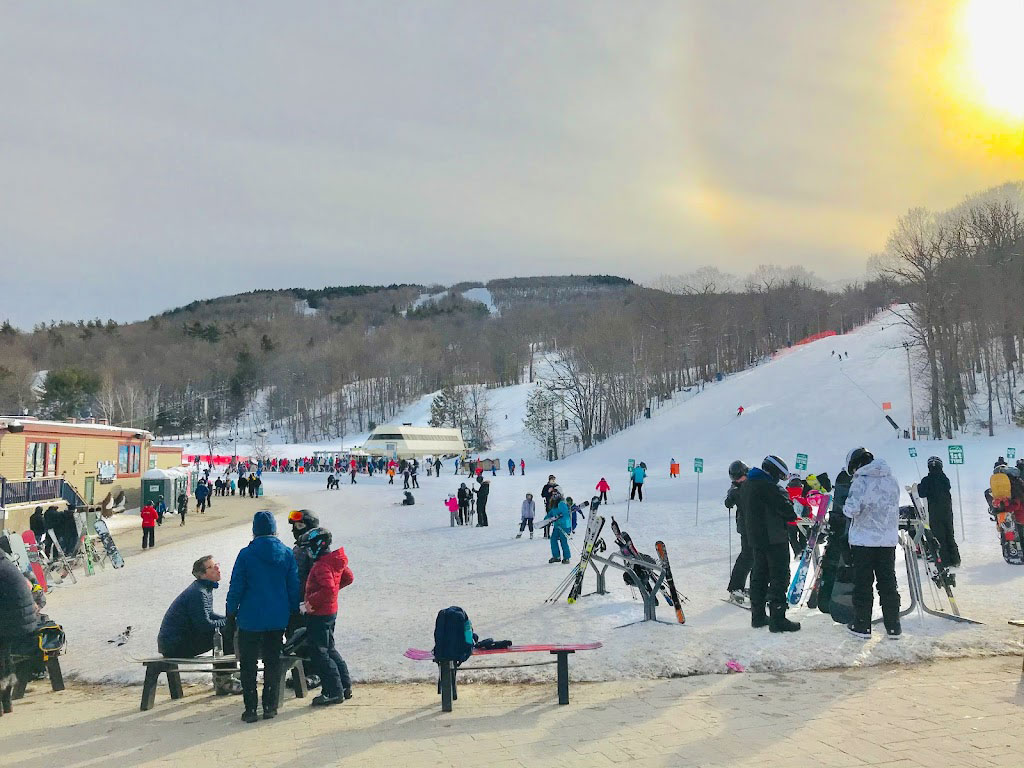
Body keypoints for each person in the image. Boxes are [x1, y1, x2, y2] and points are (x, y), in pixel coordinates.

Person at [226, 511, 300, 723]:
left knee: (248, 663)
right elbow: (293, 587)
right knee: (272, 660)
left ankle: (250, 709)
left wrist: (231, 612)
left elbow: (236, 587)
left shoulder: (246, 555)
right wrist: (293, 612)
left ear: (255, 531)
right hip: (278, 617)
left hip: (250, 618)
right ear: (274, 529)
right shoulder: (286, 553)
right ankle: (270, 706)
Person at [157, 555, 239, 693]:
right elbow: (204, 625)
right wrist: (229, 622)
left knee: (228, 628)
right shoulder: (198, 593)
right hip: (175, 645)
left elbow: (209, 615)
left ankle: (227, 673)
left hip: (175, 642)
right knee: (225, 633)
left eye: (216, 564)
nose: (217, 568)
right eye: (212, 567)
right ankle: (223, 679)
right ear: (202, 575)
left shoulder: (203, 589)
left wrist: (231, 620)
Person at [843, 447, 901, 639]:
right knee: (888, 582)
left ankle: (862, 625)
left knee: (863, 584)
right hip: (887, 540)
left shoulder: (861, 481)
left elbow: (851, 510)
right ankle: (893, 626)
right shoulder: (892, 479)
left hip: (863, 541)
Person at [742, 455, 800, 632]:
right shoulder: (767, 487)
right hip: (774, 538)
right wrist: (791, 505)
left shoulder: (748, 484)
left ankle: (758, 616)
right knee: (779, 577)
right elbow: (788, 512)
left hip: (756, 538)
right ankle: (778, 619)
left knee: (759, 576)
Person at [299, 528, 354, 706]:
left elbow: (329, 589)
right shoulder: (333, 561)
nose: (307, 552)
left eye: (309, 548)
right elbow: (347, 577)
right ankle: (344, 686)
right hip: (329, 611)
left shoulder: (322, 565)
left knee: (320, 652)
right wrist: (329, 596)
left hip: (320, 614)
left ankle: (333, 691)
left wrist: (311, 602)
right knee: (329, 648)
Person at [0, 556, 38, 714]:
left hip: (12, 617)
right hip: (19, 617)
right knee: (4, 655)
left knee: (2, 656)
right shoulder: (4, 561)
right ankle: (6, 702)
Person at [816, 468, 852, 614]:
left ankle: (827, 599)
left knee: (833, 563)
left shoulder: (844, 477)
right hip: (849, 530)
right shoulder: (856, 480)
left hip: (838, 527)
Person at [917, 456, 961, 568]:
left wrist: (918, 487)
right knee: (949, 534)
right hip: (947, 511)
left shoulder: (927, 480)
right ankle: (955, 559)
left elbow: (922, 493)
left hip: (935, 512)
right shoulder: (944, 478)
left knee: (939, 536)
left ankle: (945, 561)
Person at [724, 460, 751, 602]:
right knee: (747, 557)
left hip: (758, 525)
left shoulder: (753, 480)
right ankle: (735, 588)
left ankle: (755, 588)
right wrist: (731, 497)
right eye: (735, 479)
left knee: (757, 559)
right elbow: (728, 502)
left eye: (740, 477)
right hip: (746, 526)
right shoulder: (736, 487)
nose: (739, 480)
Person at [541, 489, 571, 563]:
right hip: (557, 526)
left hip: (564, 526)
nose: (554, 495)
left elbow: (566, 515)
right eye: (553, 494)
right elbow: (551, 514)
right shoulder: (554, 504)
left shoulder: (561, 503)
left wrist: (560, 520)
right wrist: (545, 520)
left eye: (556, 494)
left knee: (563, 541)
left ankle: (566, 558)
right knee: (553, 540)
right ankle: (556, 556)